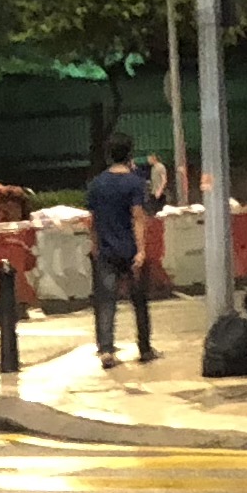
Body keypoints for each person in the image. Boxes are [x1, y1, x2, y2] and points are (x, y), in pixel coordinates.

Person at [82, 134, 163, 366]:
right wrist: (141, 250)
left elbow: (92, 220)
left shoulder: (96, 184)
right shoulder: (135, 183)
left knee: (106, 302)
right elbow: (138, 217)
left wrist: (94, 246)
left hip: (105, 251)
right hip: (130, 251)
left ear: (109, 154)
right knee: (139, 301)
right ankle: (144, 348)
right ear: (129, 153)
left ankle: (106, 350)